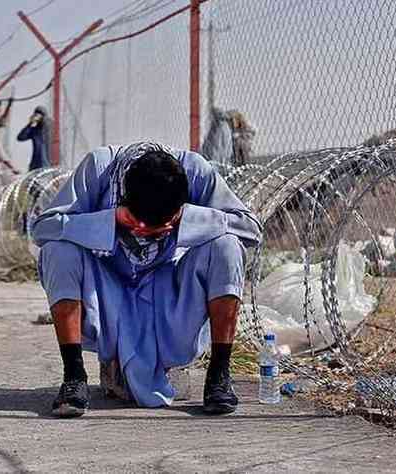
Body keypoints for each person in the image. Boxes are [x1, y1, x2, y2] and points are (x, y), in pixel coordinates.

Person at [31, 142, 262, 418]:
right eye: (141, 225)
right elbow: (42, 228)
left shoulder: (196, 171)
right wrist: (110, 220)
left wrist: (187, 219)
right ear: (125, 199)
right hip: (108, 291)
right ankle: (73, 376)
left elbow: (250, 229)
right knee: (58, 249)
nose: (147, 234)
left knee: (227, 247)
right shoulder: (100, 168)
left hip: (169, 295)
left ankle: (219, 375)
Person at [17, 106, 52, 172]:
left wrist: (42, 118)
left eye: (40, 114)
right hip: (35, 165)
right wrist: (30, 124)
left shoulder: (48, 127)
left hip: (46, 164)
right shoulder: (34, 131)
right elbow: (20, 137)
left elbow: (48, 123)